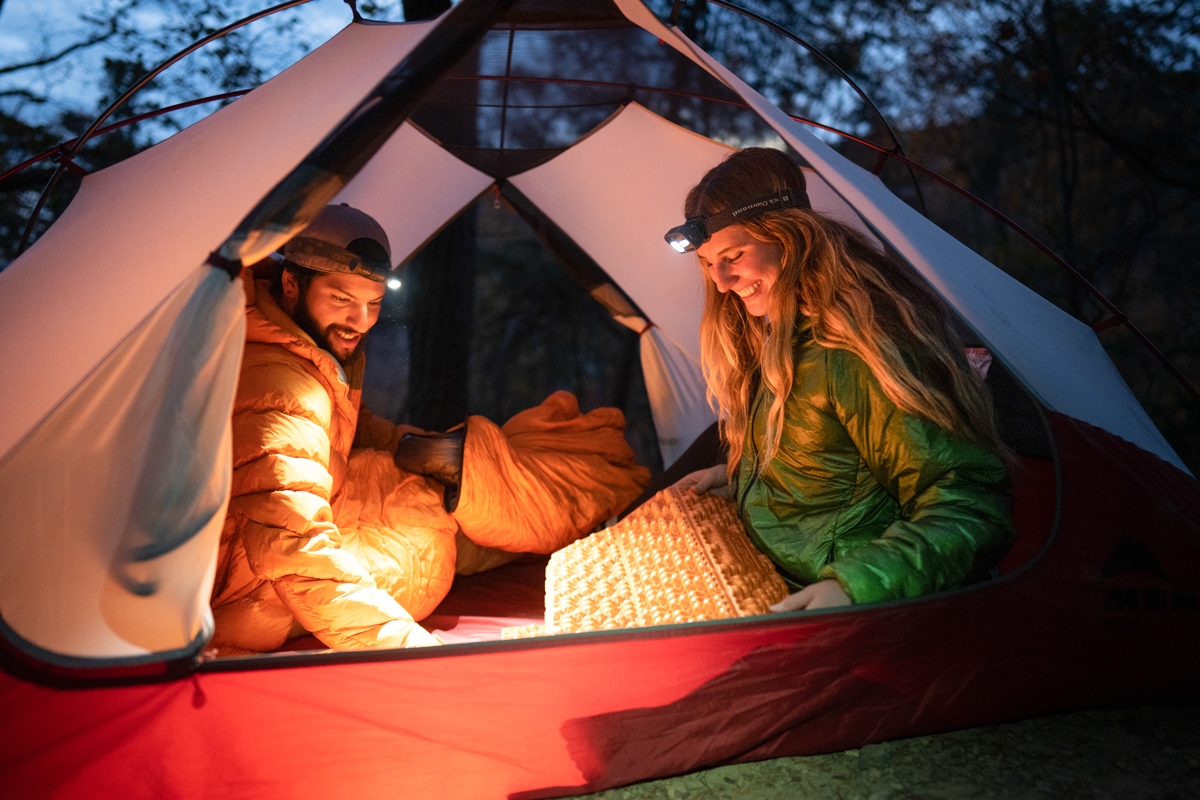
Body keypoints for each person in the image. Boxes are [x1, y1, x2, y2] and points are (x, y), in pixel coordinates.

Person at [210, 204, 649, 654]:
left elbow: (345, 431)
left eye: (373, 304)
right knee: (432, 521)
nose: (361, 322)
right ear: (290, 284)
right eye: (342, 300)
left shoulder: (300, 345)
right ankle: (542, 486)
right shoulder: (280, 388)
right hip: (248, 587)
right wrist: (413, 652)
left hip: (286, 538)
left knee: (469, 492)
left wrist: (408, 445)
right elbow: (291, 547)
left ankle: (508, 475)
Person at [665, 148, 1015, 611]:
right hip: (784, 583)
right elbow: (827, 463)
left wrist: (853, 588)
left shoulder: (859, 344)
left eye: (734, 256)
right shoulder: (782, 331)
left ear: (788, 235)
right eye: (709, 263)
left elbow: (969, 504)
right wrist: (744, 480)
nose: (722, 281)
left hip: (872, 610)